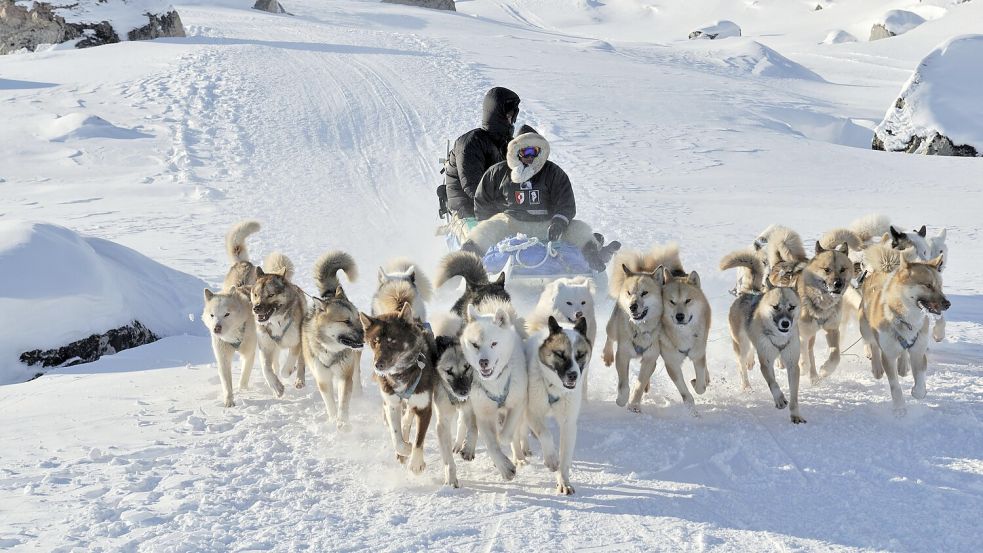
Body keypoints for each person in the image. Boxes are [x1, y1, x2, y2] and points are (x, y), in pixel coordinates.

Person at [460, 128, 620, 271]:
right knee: (488, 228)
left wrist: (559, 222)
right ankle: (467, 260)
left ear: (540, 151)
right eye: (525, 152)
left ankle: (593, 255)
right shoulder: (498, 172)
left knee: (578, 228)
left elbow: (566, 203)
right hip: (512, 223)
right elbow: (482, 200)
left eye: (534, 151)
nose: (530, 157)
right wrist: (490, 222)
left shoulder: (553, 172)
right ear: (516, 153)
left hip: (548, 224)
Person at [440, 87, 521, 219]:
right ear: (497, 114)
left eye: (512, 116)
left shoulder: (506, 144)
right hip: (466, 209)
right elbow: (473, 187)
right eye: (508, 115)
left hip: (492, 206)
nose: (511, 120)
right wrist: (506, 205)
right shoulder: (471, 143)